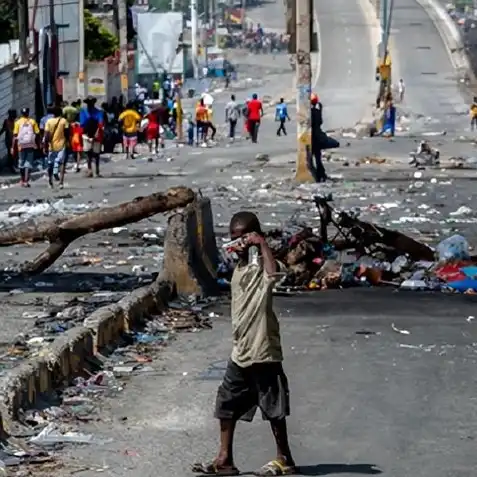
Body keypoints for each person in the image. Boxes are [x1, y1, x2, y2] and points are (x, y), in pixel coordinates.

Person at [192, 211, 295, 477]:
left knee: (273, 408)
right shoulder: (239, 268)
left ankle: (285, 458)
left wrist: (260, 244)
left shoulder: (263, 266)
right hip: (241, 351)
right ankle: (225, 459)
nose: (236, 245)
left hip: (263, 350)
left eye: (241, 239)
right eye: (233, 240)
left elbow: (273, 275)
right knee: (226, 403)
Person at [12, 107, 40, 187]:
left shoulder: (17, 122)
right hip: (30, 144)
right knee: (28, 163)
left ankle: (22, 179)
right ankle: (26, 181)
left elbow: (15, 135)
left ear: (21, 113)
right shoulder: (32, 121)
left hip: (21, 145)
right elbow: (37, 133)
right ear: (28, 113)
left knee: (21, 162)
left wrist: (12, 147)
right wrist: (38, 144)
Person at [44, 106, 69, 188]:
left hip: (51, 146)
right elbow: (67, 133)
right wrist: (68, 142)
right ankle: (61, 183)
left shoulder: (49, 121)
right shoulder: (64, 121)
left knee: (50, 163)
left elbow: (46, 135)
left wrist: (45, 146)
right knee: (62, 163)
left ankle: (50, 181)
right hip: (62, 145)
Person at [80, 96, 104, 177]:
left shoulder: (83, 112)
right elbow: (100, 125)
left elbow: (82, 125)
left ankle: (92, 170)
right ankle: (94, 171)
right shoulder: (99, 112)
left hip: (89, 135)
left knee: (90, 154)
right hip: (93, 135)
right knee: (93, 154)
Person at [310, 93, 327, 182]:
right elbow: (320, 122)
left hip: (312, 137)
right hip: (318, 136)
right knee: (318, 157)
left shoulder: (309, 113)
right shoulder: (317, 112)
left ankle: (318, 173)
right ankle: (321, 173)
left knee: (311, 157)